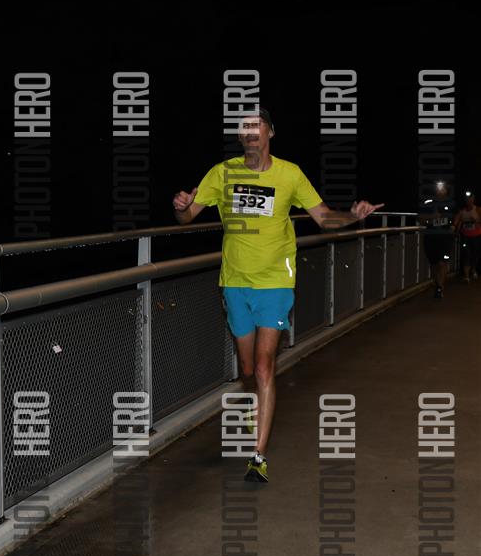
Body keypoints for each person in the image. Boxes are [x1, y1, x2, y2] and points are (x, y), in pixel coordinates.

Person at [172, 107, 383, 483]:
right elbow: (187, 217)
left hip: (275, 281)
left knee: (264, 366)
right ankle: (254, 404)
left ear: (271, 132)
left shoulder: (290, 174)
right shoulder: (222, 173)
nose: (250, 131)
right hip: (234, 280)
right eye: (244, 127)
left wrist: (354, 215)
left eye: (257, 125)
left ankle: (258, 456)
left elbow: (324, 218)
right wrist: (182, 208)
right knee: (248, 370)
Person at [420, 187, 455, 299]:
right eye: (438, 189)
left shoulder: (450, 204)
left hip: (446, 239)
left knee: (442, 263)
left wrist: (454, 226)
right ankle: (438, 284)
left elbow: (456, 217)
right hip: (431, 238)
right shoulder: (428, 204)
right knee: (434, 264)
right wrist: (432, 217)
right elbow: (420, 219)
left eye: (443, 189)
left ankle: (440, 287)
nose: (440, 191)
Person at [453, 192, 481, 283]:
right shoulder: (462, 211)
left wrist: (476, 221)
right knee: (466, 254)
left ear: (473, 199)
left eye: (470, 199)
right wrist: (455, 229)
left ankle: (473, 269)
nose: (469, 200)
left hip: (477, 236)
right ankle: (466, 276)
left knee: (475, 254)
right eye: (467, 199)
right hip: (465, 236)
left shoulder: (478, 210)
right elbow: (457, 221)